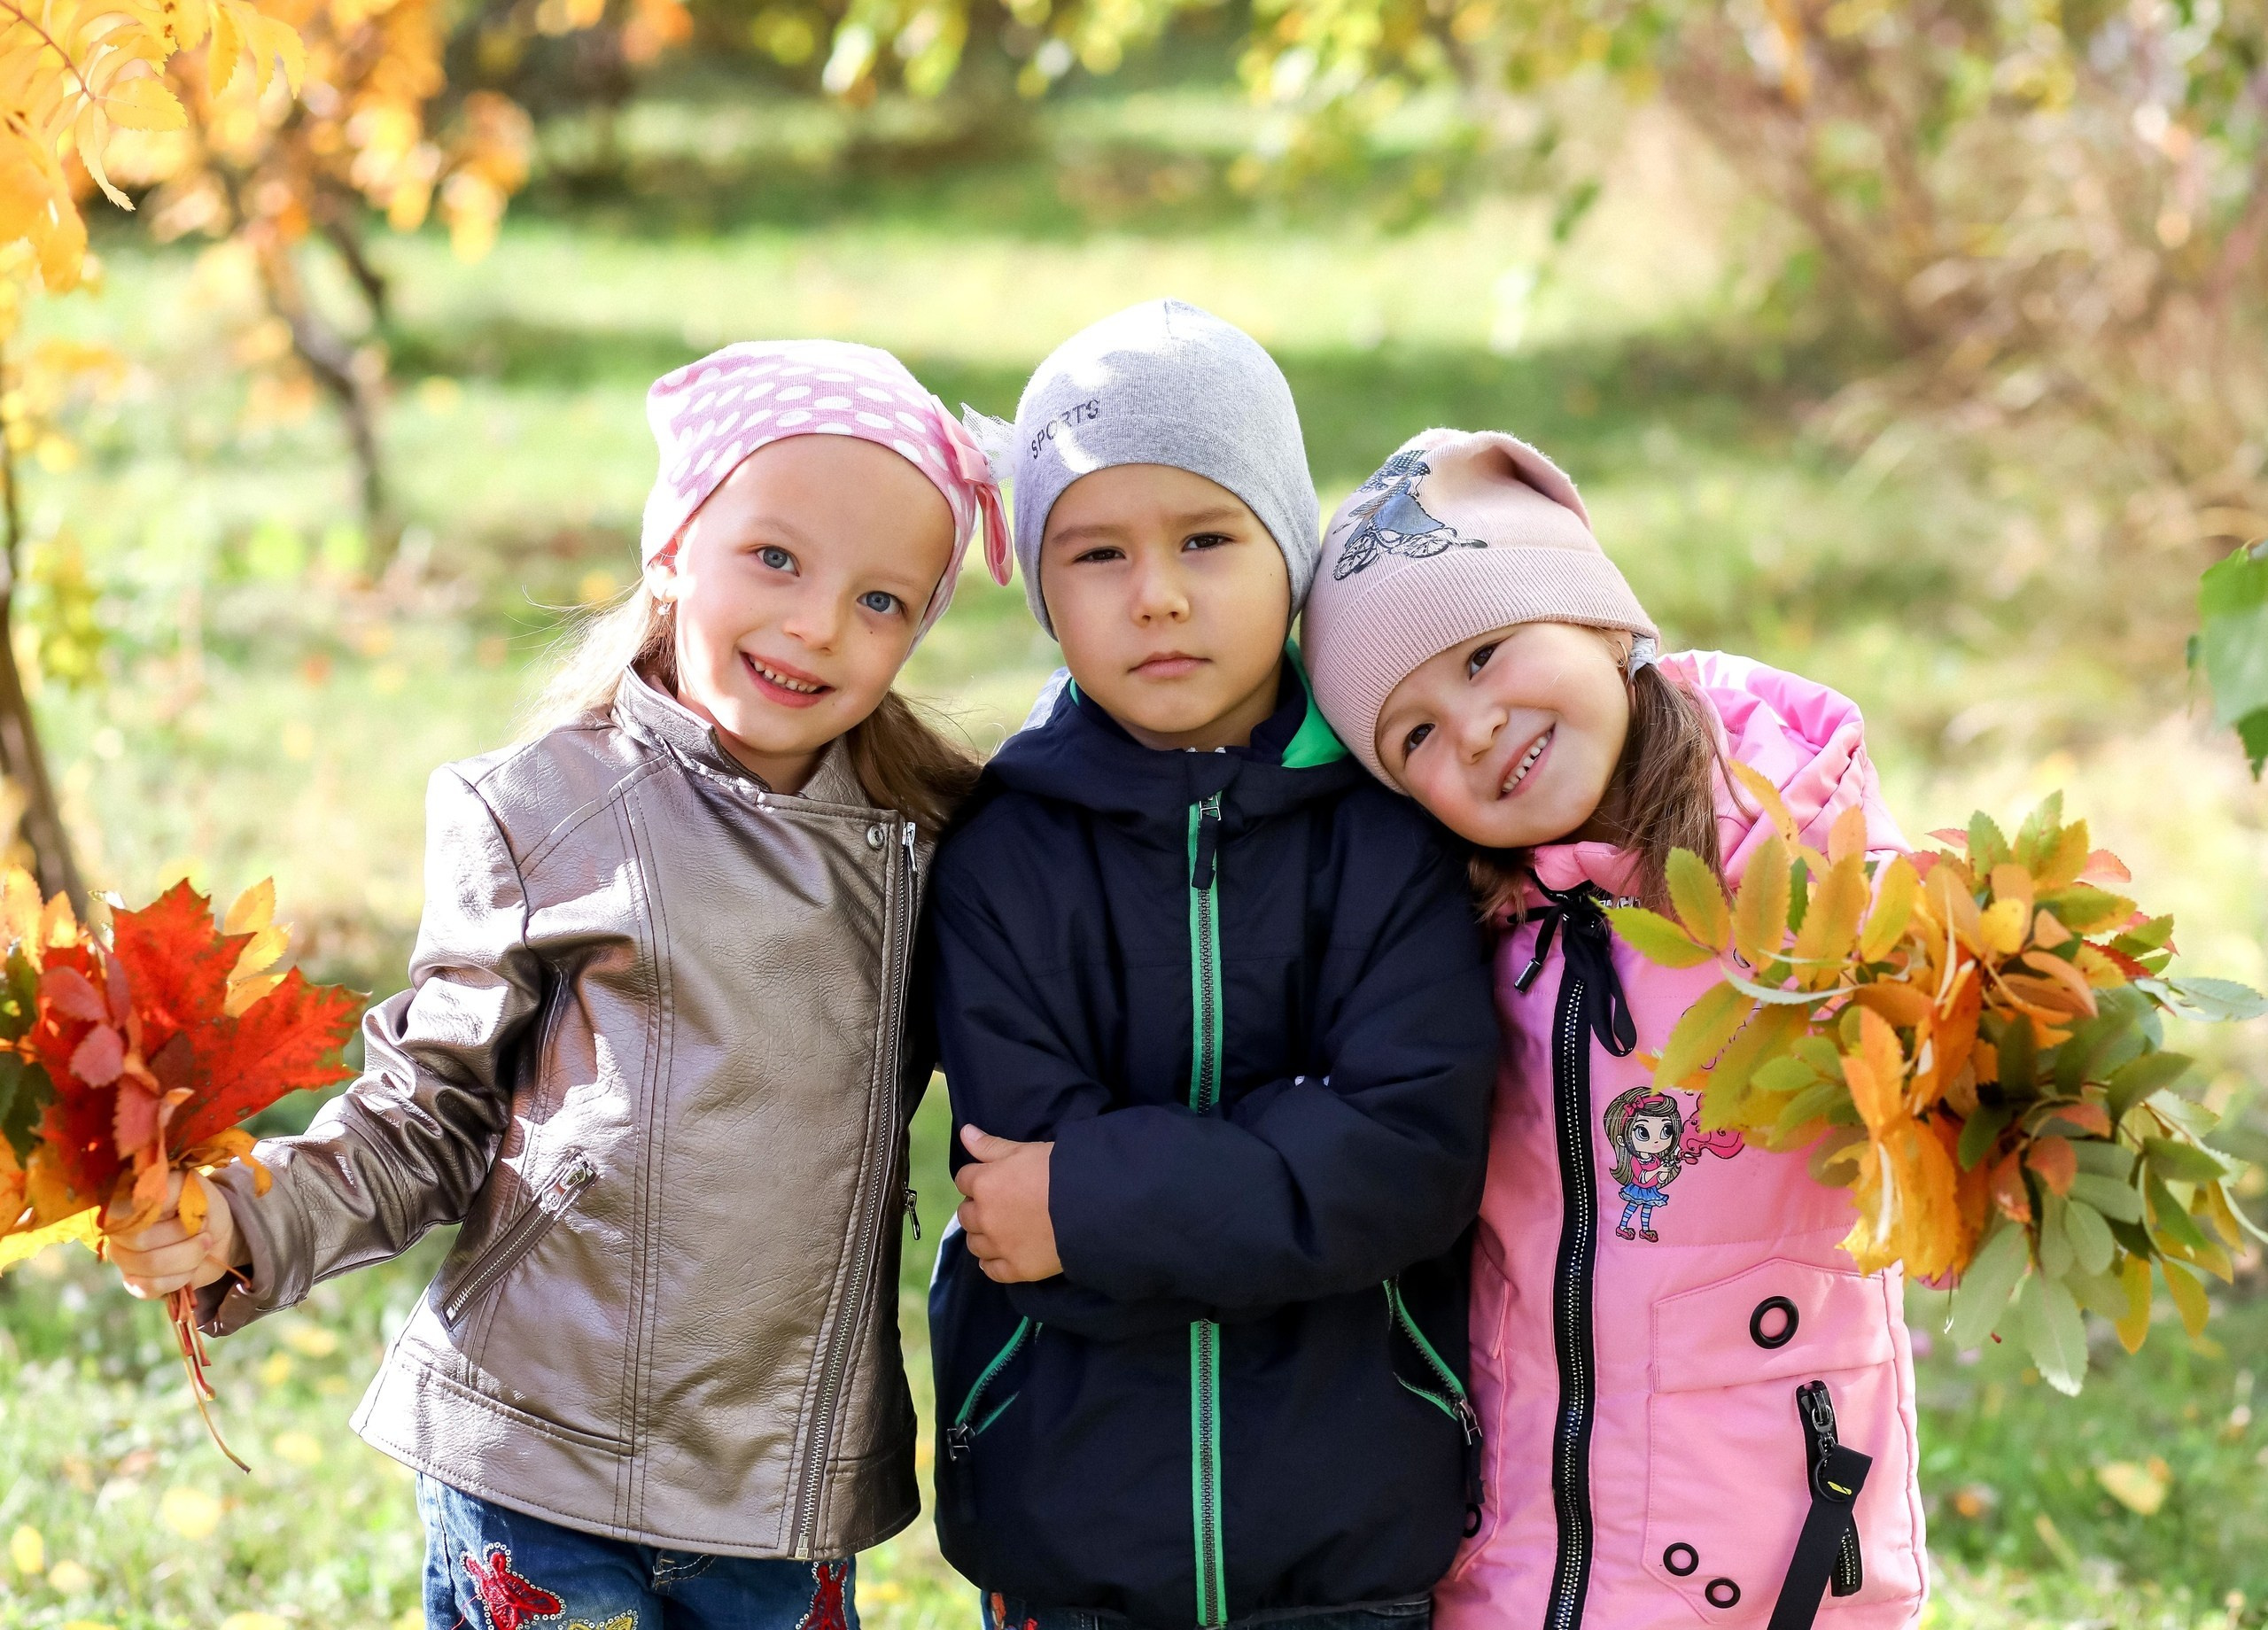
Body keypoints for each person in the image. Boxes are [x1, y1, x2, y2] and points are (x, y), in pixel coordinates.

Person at [106, 338, 1012, 1630]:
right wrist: (248, 1221)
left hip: (780, 1480)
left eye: (883, 602)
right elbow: (428, 1113)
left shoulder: (930, 839)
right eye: (775, 558)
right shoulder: (544, 811)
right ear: (672, 547)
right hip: (536, 1447)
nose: (817, 622)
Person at [924, 299, 1502, 1630]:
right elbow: (1024, 1204)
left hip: (1351, 1528)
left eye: (1206, 537)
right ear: (1042, 587)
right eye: (1097, 554)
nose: (1159, 595)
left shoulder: (1388, 827)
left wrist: (1102, 1204)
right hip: (1067, 1523)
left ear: (1291, 550)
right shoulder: (1002, 851)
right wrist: (1284, 1168)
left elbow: (1408, 1156)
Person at [1301, 427, 1928, 1630]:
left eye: (1484, 654)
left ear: (1594, 614)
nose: (1474, 728)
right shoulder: (1464, 922)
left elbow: (1946, 1077)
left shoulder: (1805, 849)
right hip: (1521, 1546)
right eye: (1414, 735)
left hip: (1778, 1545)